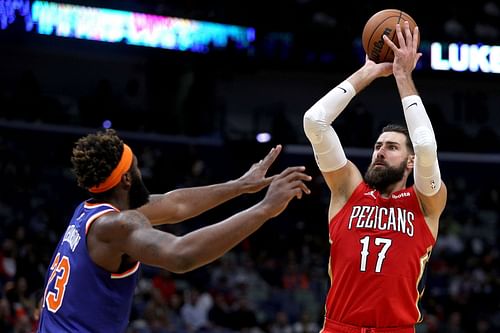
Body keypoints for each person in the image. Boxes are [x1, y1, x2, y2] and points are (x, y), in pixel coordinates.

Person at [36, 129, 311, 332]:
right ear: (127, 179)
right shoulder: (117, 226)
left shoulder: (89, 211)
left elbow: (175, 204)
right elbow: (181, 255)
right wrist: (264, 209)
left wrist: (241, 185)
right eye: (136, 165)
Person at [303, 21, 447, 332]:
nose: (379, 152)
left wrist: (402, 76)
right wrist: (368, 72)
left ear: (410, 162)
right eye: (378, 146)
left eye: (391, 147)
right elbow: (314, 122)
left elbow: (425, 145)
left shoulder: (424, 204)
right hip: (338, 327)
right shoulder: (347, 190)